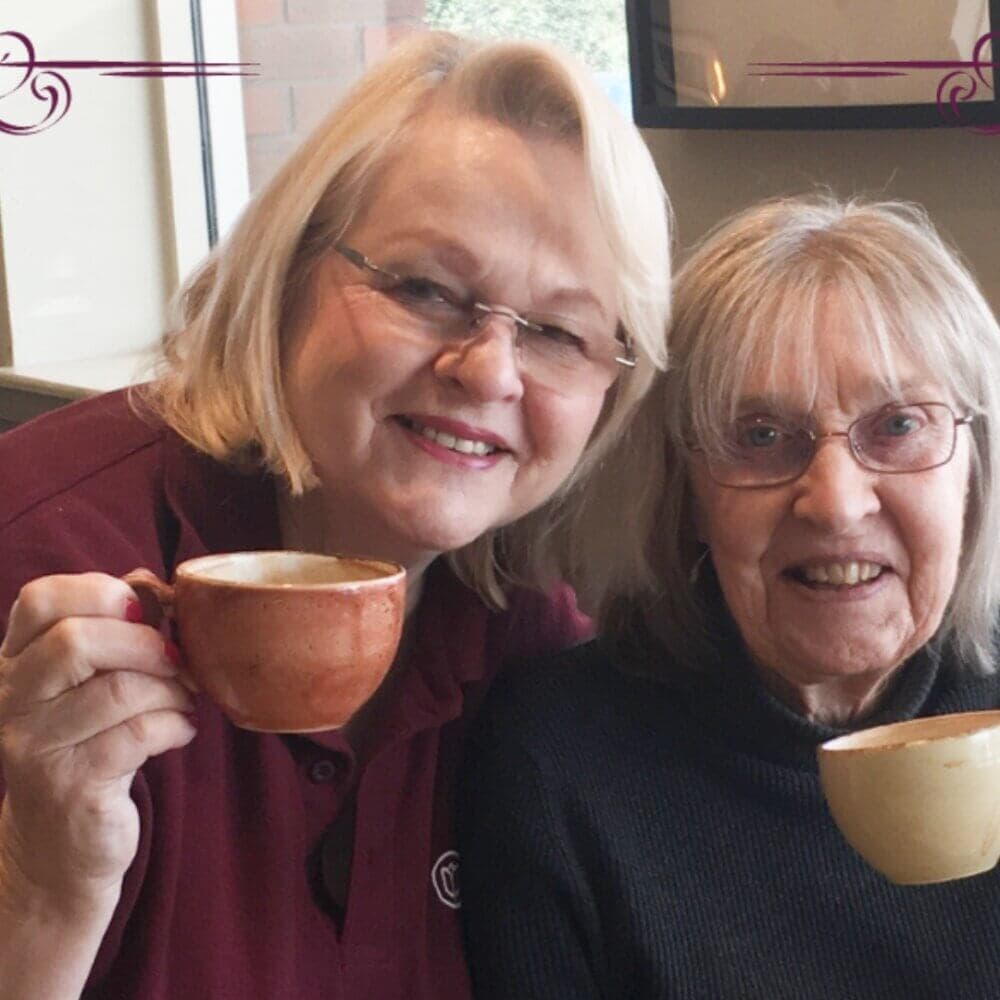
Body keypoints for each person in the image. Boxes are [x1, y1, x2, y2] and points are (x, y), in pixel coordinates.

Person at [0, 31, 671, 999]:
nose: (487, 370)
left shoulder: (537, 644)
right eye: (426, 290)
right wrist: (40, 896)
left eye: (559, 333)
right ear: (289, 275)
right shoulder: (39, 558)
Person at [459, 195, 1000, 999]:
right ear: (685, 496)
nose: (837, 503)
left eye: (897, 427)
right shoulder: (559, 761)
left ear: (975, 469)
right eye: (759, 436)